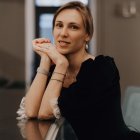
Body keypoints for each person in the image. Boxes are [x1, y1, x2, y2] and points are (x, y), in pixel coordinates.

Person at [17, 1, 140, 140]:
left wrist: (61, 64)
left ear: (87, 35)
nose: (63, 33)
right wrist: (45, 60)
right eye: (59, 25)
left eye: (73, 27)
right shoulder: (55, 70)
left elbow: (45, 113)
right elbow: (31, 111)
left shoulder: (101, 69)